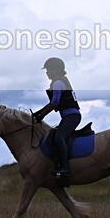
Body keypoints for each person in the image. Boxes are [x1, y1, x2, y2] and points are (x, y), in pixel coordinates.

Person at [32, 57, 81, 185]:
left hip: (71, 116)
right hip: (69, 116)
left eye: (48, 70)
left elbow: (54, 103)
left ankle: (64, 168)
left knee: (59, 138)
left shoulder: (57, 83)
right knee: (54, 135)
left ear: (55, 69)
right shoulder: (58, 81)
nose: (47, 73)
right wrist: (40, 113)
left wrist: (41, 115)